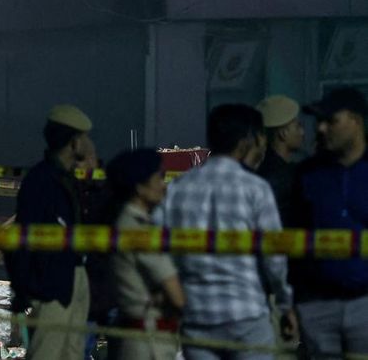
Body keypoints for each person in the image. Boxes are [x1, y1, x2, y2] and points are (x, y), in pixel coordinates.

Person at [159, 104, 297, 360]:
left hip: (196, 316)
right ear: (247, 141)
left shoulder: (178, 188)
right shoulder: (255, 188)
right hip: (246, 316)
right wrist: (285, 303)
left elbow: (159, 248)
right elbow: (274, 256)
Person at [4, 104, 95, 360]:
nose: (89, 144)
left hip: (72, 279)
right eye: (84, 138)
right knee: (48, 352)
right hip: (52, 286)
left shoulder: (66, 178)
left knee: (72, 353)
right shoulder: (42, 181)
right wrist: (25, 289)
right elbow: (23, 237)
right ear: (74, 143)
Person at [289, 87, 368, 357]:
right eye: (319, 121)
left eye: (331, 120)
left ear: (356, 121)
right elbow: (293, 237)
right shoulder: (307, 174)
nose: (321, 128)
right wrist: (295, 301)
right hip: (316, 307)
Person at [106, 149, 184, 360]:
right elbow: (177, 296)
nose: (164, 185)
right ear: (140, 187)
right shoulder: (138, 230)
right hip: (149, 343)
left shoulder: (125, 222)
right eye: (159, 178)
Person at [255, 95, 304, 226]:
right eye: (298, 126)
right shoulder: (283, 176)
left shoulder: (259, 167)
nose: (302, 132)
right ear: (283, 133)